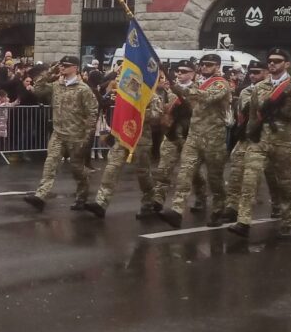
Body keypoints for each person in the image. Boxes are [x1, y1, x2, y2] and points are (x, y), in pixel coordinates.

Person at [229, 47, 291, 238]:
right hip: (260, 141)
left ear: (286, 64)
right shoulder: (260, 87)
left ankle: (286, 222)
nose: (272, 63)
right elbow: (253, 115)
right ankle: (243, 221)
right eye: (270, 60)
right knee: (250, 178)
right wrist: (250, 135)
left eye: (277, 60)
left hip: (285, 142)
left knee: (285, 186)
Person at [158, 53, 231, 228]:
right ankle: (176, 210)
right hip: (194, 135)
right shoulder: (197, 84)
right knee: (185, 171)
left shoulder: (221, 83)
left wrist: (181, 89)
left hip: (213, 138)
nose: (205, 67)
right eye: (203, 64)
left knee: (215, 179)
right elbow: (189, 98)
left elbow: (206, 96)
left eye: (209, 65)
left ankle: (219, 209)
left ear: (217, 66)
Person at [84, 72, 165, 219]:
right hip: (122, 138)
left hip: (141, 140)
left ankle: (148, 200)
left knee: (143, 173)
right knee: (111, 168)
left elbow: (156, 116)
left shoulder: (152, 96)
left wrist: (138, 113)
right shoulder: (126, 95)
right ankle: (101, 202)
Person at [23, 55, 98, 212]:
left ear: (75, 68)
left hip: (76, 136)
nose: (62, 67)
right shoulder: (57, 85)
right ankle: (41, 196)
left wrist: (87, 137)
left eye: (66, 65)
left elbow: (92, 113)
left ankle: (82, 196)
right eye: (61, 65)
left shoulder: (83, 89)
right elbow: (38, 88)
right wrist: (50, 71)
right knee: (50, 164)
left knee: (77, 169)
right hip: (58, 134)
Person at [222, 60, 278, 221]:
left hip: (270, 137)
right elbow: (247, 109)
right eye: (251, 72)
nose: (253, 75)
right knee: (237, 170)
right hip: (248, 135)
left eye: (257, 72)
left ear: (267, 73)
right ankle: (232, 206)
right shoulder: (247, 90)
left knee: (273, 175)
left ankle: (277, 204)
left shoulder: (278, 90)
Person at [151, 61, 207, 216]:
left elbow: (196, 110)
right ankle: (157, 201)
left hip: (190, 135)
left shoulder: (198, 90)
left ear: (193, 73)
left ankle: (201, 197)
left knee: (192, 172)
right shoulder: (170, 90)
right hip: (172, 134)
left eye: (184, 71)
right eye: (178, 71)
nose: (180, 74)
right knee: (163, 170)